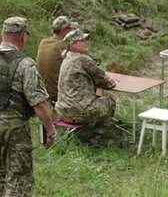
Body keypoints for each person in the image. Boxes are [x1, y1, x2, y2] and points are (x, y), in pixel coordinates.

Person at [1, 17, 55, 197]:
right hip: (14, 129)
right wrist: (50, 129)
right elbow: (39, 104)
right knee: (19, 179)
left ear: (3, 35)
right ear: (23, 37)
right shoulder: (26, 64)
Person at [55, 30, 117, 127]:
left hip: (63, 110)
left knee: (96, 96)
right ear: (74, 44)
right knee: (110, 100)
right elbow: (107, 82)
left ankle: (93, 128)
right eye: (83, 40)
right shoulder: (83, 59)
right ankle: (100, 131)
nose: (86, 43)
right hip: (80, 112)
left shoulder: (66, 58)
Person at [36, 16, 78, 103]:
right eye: (70, 29)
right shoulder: (63, 46)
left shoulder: (43, 42)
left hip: (43, 92)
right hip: (58, 95)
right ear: (64, 30)